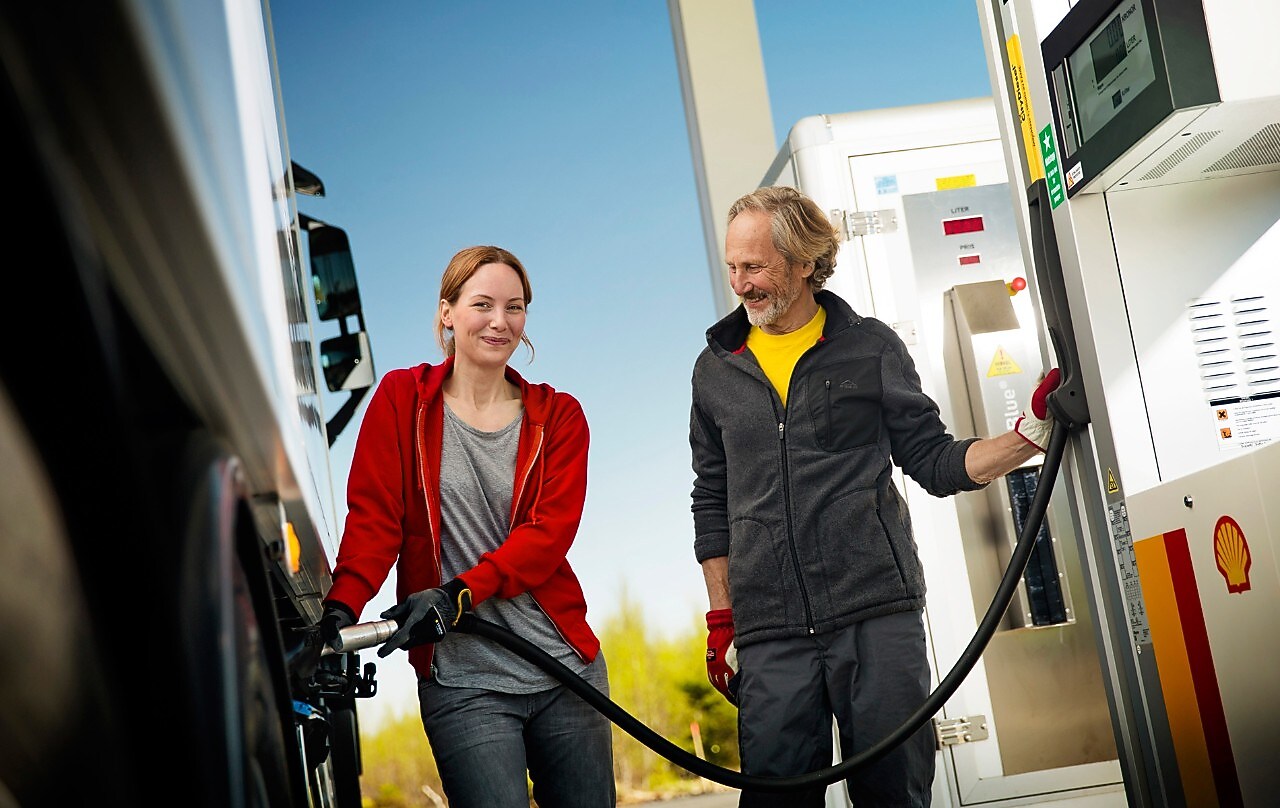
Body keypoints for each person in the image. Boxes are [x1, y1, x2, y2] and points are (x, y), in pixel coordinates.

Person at [690, 186, 1060, 807]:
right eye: (732, 266)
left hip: (876, 616)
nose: (740, 283)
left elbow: (936, 461)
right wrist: (722, 617)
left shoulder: (870, 347)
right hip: (769, 628)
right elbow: (712, 499)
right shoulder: (716, 368)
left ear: (804, 262)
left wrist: (1029, 436)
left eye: (754, 267)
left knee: (894, 796)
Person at [319, 245, 616, 808]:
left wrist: (458, 593)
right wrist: (342, 608)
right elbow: (375, 517)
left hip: (563, 669)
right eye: (483, 304)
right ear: (447, 312)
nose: (500, 321)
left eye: (515, 307)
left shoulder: (559, 416)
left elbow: (547, 536)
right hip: (462, 679)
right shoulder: (402, 400)